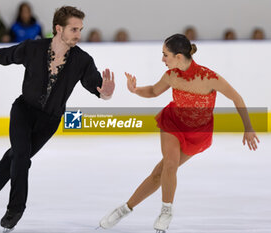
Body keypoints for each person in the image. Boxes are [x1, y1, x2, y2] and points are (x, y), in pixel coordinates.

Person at [0, 6, 115, 231]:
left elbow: (99, 89)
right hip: (23, 111)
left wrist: (106, 93)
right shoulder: (33, 48)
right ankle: (16, 209)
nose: (78, 35)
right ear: (58, 28)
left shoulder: (83, 61)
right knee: (20, 156)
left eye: (80, 29)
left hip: (49, 122)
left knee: (9, 164)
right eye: (73, 29)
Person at [99, 34, 259, 232]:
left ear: (179, 57)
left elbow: (237, 98)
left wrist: (248, 127)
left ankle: (124, 208)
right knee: (170, 165)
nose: (162, 59)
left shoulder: (209, 78)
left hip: (198, 134)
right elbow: (153, 91)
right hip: (172, 123)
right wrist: (135, 89)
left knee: (159, 173)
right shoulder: (171, 75)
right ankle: (166, 211)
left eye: (165, 55)